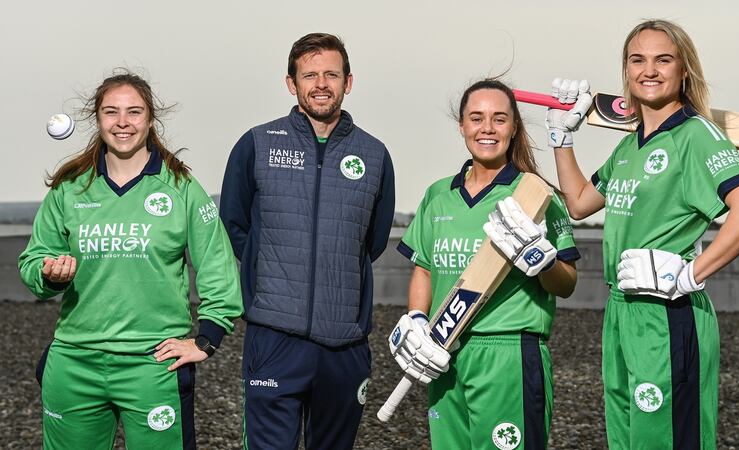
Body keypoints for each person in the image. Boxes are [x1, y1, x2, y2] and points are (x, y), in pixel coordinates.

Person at [544, 20, 739, 449]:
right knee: (629, 440)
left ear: (684, 69)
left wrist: (689, 274)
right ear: (626, 71)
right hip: (621, 311)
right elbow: (577, 202)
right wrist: (561, 137)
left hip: (669, 314)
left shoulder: (696, 135)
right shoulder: (630, 145)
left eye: (663, 59)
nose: (649, 70)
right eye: (638, 60)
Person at [18, 71, 243, 449]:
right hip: (75, 361)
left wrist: (206, 339)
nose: (123, 122)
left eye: (134, 112)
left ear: (150, 119)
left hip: (153, 364)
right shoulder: (70, 188)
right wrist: (49, 274)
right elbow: (34, 261)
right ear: (98, 119)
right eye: (111, 112)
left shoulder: (181, 188)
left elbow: (217, 266)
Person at [220, 33, 395, 450]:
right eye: (310, 74)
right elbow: (234, 222)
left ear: (348, 82)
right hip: (274, 336)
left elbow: (373, 238)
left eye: (331, 74)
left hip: (344, 343)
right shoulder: (257, 143)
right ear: (291, 83)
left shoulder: (374, 154)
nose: (321, 84)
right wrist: (273, 272)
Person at [389, 78, 580, 450]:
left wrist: (543, 262)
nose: (487, 128)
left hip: (508, 353)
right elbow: (424, 269)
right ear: (462, 126)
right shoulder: (438, 195)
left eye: (499, 119)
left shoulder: (536, 195)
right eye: (476, 118)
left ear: (513, 127)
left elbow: (568, 283)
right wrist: (416, 318)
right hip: (445, 350)